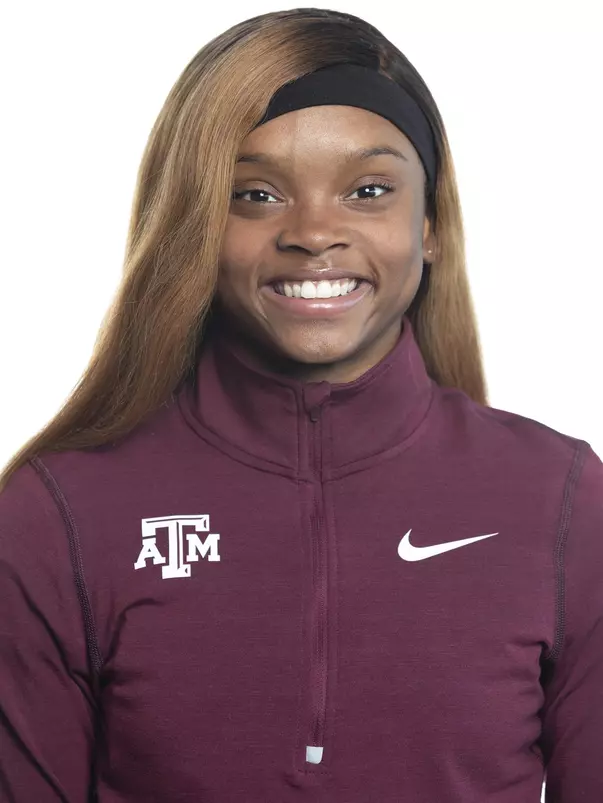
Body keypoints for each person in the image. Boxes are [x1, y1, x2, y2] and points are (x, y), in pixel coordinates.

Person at [0, 7, 601, 802]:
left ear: (429, 227)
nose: (315, 232)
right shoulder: (58, 511)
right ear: (192, 222)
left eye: (367, 189)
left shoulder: (558, 497)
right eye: (254, 193)